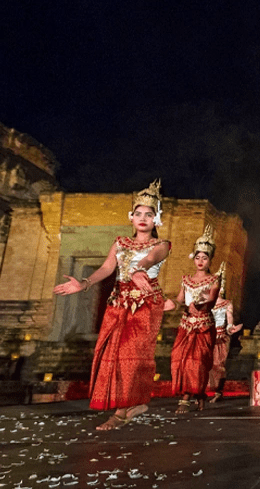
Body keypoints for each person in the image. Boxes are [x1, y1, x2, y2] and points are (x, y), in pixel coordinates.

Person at [54, 180, 171, 430]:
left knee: (131, 355)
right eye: (138, 214)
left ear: (156, 220)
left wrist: (139, 270)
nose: (142, 218)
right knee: (113, 354)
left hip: (143, 305)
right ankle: (135, 404)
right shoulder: (120, 243)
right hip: (118, 303)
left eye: (149, 215)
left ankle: (120, 413)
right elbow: (107, 269)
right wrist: (83, 284)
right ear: (131, 217)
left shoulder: (161, 245)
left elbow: (150, 259)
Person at [169, 225, 221, 414]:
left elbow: (212, 298)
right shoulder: (186, 279)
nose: (200, 261)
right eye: (198, 257)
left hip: (203, 326)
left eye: (204, 258)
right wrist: (175, 303)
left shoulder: (214, 279)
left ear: (209, 260)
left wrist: (201, 301)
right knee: (179, 359)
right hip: (186, 325)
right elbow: (181, 299)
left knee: (196, 362)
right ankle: (198, 394)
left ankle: (185, 399)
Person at [208, 265, 242, 403]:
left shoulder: (227, 303)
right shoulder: (206, 303)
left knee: (218, 364)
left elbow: (229, 319)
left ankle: (218, 391)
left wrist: (230, 328)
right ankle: (202, 391)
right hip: (207, 335)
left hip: (221, 337)